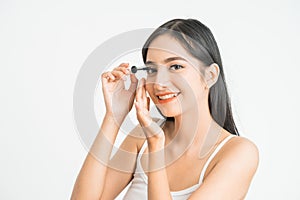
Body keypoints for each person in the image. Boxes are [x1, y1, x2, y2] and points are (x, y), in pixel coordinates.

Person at [71, 18, 259, 200]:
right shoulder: (141, 138)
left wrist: (155, 148)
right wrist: (114, 116)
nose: (159, 83)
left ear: (210, 76)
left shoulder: (239, 153)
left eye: (175, 66)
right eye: (152, 69)